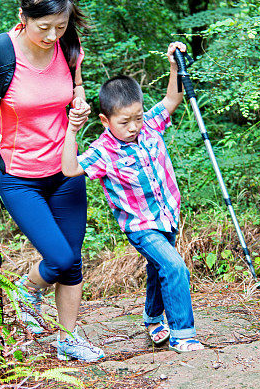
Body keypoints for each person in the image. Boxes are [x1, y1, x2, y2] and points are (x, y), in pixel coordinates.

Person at [0, 0, 104, 363]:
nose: (52, 36)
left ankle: (68, 339)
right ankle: (26, 290)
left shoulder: (70, 45)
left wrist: (78, 106)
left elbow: (75, 91)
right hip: (20, 176)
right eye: (44, 27)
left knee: (73, 260)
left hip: (65, 168)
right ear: (22, 17)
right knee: (59, 258)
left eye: (59, 27)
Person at [61, 42, 205, 353]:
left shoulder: (150, 125)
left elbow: (172, 97)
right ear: (105, 121)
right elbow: (70, 168)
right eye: (124, 122)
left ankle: (154, 318)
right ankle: (184, 335)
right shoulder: (104, 150)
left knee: (159, 268)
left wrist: (172, 64)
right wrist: (71, 130)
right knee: (175, 267)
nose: (133, 127)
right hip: (140, 226)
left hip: (167, 216)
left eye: (137, 118)